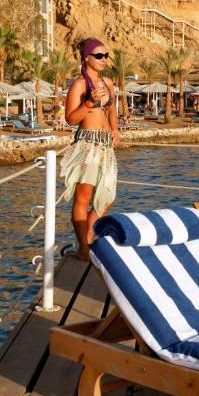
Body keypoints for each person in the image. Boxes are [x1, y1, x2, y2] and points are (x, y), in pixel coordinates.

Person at [61, 38, 119, 260]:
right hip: (88, 144)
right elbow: (71, 119)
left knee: (108, 197)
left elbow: (112, 110)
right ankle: (84, 249)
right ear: (86, 58)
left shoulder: (108, 83)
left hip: (106, 145)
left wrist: (115, 130)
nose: (104, 59)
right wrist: (88, 103)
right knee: (82, 199)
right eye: (99, 55)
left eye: (106, 55)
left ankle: (86, 237)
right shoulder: (79, 85)